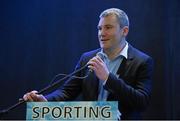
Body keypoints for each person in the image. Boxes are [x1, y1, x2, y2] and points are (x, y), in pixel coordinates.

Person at [23, 8, 153, 119]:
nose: (102, 33)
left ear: (124, 31)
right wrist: (46, 101)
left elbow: (141, 102)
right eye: (99, 28)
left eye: (108, 27)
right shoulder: (88, 58)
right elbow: (67, 92)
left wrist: (107, 78)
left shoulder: (142, 61)